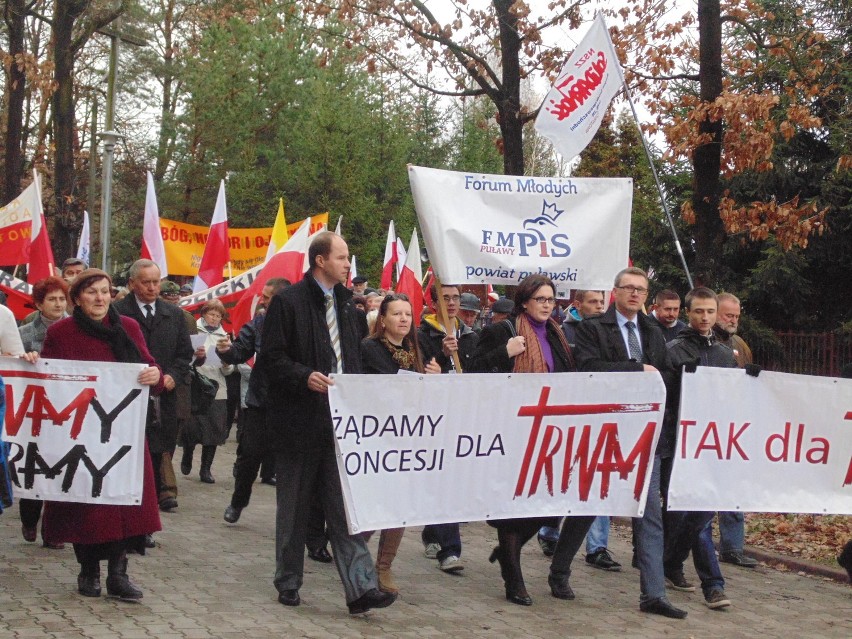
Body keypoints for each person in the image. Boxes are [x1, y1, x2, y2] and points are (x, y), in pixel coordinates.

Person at [258, 231, 395, 614]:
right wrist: (304, 375)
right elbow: (271, 358)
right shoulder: (288, 302)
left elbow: (354, 363)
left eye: (347, 257)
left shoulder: (349, 308)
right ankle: (287, 580)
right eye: (342, 257)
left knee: (345, 508)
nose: (348, 263)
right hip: (298, 422)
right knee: (295, 508)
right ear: (320, 261)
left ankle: (361, 589)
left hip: (341, 426)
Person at [37, 268, 163, 601]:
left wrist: (155, 374)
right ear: (76, 298)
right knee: (85, 504)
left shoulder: (129, 328)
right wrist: (32, 363)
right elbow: (46, 379)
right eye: (92, 292)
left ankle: (118, 575)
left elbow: (148, 366)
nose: (100, 298)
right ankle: (88, 570)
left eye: (105, 291)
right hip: (79, 435)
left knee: (121, 502)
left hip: (122, 435)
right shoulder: (62, 333)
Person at [470, 274, 594, 606]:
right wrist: (503, 353)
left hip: (550, 431)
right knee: (513, 507)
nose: (546, 306)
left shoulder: (558, 334)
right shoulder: (503, 331)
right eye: (540, 299)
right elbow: (471, 373)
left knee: (549, 504)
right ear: (525, 301)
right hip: (512, 428)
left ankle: (506, 550)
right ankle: (514, 579)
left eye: (551, 300)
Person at [573, 266, 686, 619]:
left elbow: (666, 373)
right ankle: (560, 569)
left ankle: (653, 593)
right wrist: (635, 370)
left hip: (646, 435)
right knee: (589, 504)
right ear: (615, 292)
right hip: (605, 431)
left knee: (649, 511)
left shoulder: (652, 331)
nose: (635, 294)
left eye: (641, 289)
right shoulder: (593, 328)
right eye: (629, 288)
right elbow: (587, 368)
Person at [360, 293, 441, 594]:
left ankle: (383, 566)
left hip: (411, 438)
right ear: (382, 319)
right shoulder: (369, 348)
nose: (404, 319)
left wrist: (437, 376)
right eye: (397, 314)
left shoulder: (418, 349)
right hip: (379, 437)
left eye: (408, 314)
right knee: (376, 503)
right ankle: (354, 553)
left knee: (399, 504)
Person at [663, 287, 734, 609]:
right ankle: (713, 585)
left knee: (701, 513)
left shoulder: (723, 353)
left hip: (714, 443)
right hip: (681, 443)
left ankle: (671, 561)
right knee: (694, 514)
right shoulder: (673, 350)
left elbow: (735, 397)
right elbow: (663, 399)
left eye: (710, 312)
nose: (705, 318)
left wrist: (750, 378)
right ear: (688, 313)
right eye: (698, 312)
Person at [115, 260, 193, 514]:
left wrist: (172, 376)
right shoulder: (117, 312)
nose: (152, 287)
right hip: (126, 397)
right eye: (146, 282)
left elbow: (184, 355)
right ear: (132, 283)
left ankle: (150, 507)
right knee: (134, 454)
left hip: (163, 398)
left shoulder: (174, 315)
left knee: (159, 451)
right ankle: (136, 508)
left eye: (155, 282)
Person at [417, 282, 479, 572]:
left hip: (461, 414)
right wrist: (441, 354)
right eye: (445, 298)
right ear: (434, 302)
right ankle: (450, 550)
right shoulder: (423, 334)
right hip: (434, 416)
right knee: (441, 478)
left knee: (448, 479)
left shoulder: (470, 336)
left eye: (455, 298)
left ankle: (434, 534)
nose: (452, 303)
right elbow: (422, 372)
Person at [17, 276, 70, 550]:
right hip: (35, 413)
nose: (58, 304)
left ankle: (54, 529)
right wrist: (24, 360)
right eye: (52, 299)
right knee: (36, 468)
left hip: (69, 413)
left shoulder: (79, 329)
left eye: (62, 298)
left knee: (62, 470)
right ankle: (29, 517)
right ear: (39, 304)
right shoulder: (25, 334)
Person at [708, 292, 759, 568]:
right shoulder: (706, 342)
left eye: (737, 316)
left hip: (735, 425)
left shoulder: (739, 343)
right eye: (729, 315)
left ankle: (733, 546)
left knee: (733, 487)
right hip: (707, 425)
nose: (733, 321)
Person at [180, 299, 234, 484]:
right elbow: (183, 357)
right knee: (192, 427)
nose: (215, 319)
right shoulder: (193, 331)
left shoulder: (225, 336)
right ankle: (188, 453)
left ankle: (206, 469)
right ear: (204, 314)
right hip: (195, 385)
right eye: (212, 314)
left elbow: (229, 370)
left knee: (214, 428)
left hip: (216, 387)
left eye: (219, 316)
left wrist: (227, 361)